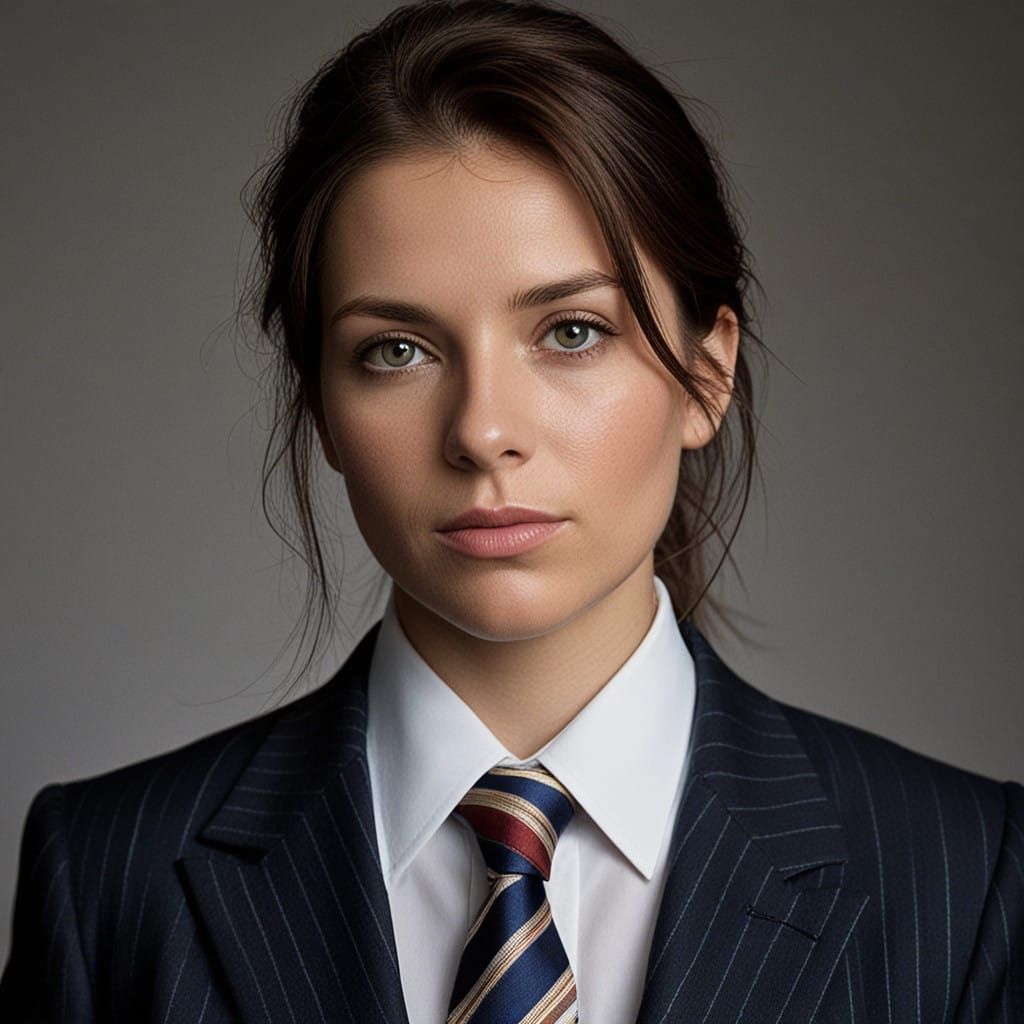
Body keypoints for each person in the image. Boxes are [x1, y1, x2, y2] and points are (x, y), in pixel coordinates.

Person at [1, 0, 1021, 1020]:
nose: (483, 431)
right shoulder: (108, 877)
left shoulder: (969, 877)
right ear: (319, 402)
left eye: (571, 331)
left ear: (708, 376)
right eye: (395, 350)